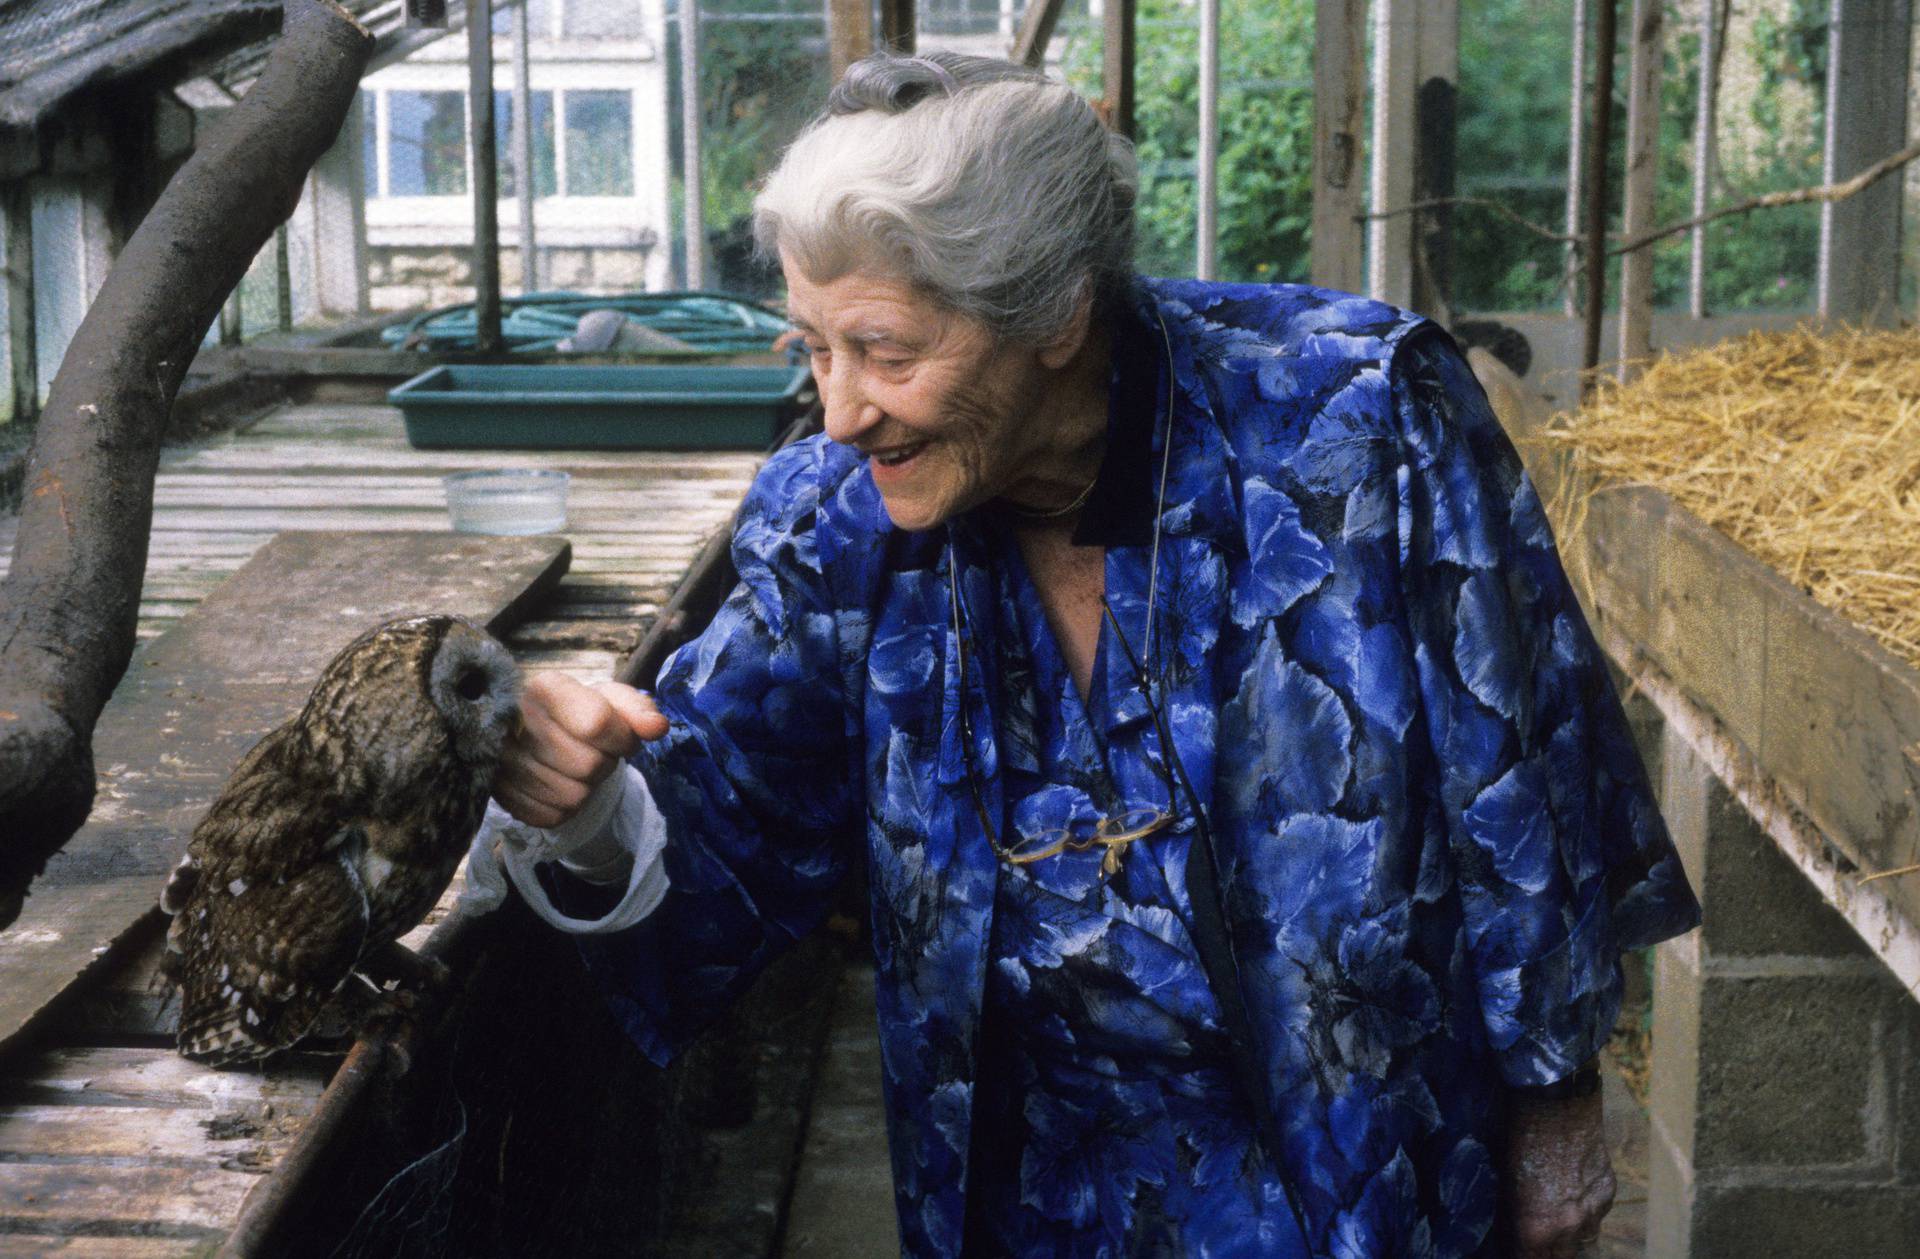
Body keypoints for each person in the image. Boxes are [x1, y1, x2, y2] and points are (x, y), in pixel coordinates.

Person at [478, 50, 1700, 1259]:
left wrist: (1558, 1112)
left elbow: (1522, 781)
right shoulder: (840, 516)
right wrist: (581, 803)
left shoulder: (1361, 418)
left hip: (1366, 1163)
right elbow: (726, 821)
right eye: (814, 347)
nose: (843, 408)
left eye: (889, 351)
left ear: (1056, 312)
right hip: (1037, 1190)